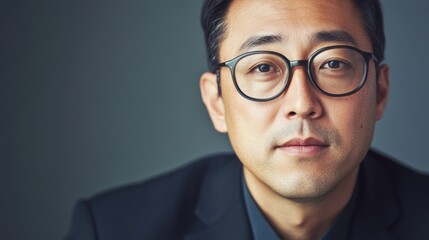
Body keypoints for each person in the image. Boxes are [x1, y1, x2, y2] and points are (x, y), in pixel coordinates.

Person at [65, 0, 429, 239]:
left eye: (333, 63)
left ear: (379, 92)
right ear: (217, 102)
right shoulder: (111, 230)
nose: (301, 103)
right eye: (263, 67)